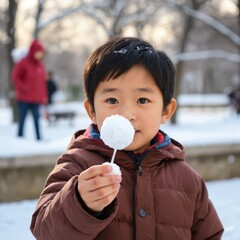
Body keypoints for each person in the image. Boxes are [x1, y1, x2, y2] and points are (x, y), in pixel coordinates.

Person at [30, 37, 223, 239]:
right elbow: (44, 230)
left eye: (142, 100)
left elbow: (209, 234)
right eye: (112, 100)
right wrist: (79, 202)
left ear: (166, 110)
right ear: (91, 110)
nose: (126, 113)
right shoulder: (77, 164)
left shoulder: (187, 179)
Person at [11, 39, 48, 140]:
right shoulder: (23, 63)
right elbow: (15, 77)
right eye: (38, 53)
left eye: (41, 53)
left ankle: (39, 139)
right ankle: (20, 139)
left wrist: (44, 96)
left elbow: (42, 83)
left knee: (37, 119)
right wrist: (23, 87)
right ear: (33, 52)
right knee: (22, 120)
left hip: (36, 99)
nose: (40, 55)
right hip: (24, 98)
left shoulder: (40, 65)